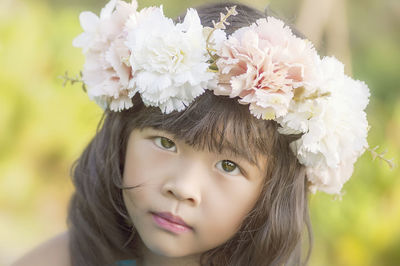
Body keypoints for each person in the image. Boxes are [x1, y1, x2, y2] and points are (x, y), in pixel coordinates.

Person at [12, 1, 371, 265]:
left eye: (229, 166)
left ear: (273, 192)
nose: (182, 188)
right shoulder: (67, 258)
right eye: (165, 142)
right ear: (122, 137)